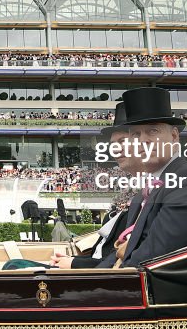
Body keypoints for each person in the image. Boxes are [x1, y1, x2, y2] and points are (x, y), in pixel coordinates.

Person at [91, 87, 187, 268]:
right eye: (136, 134)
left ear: (174, 136)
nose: (143, 141)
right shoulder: (144, 194)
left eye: (153, 131)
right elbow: (124, 256)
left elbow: (150, 260)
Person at [50, 103, 139, 269]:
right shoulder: (133, 196)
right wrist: (71, 261)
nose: (116, 149)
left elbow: (119, 259)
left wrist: (74, 264)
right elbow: (104, 255)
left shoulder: (148, 197)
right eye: (113, 144)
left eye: (123, 141)